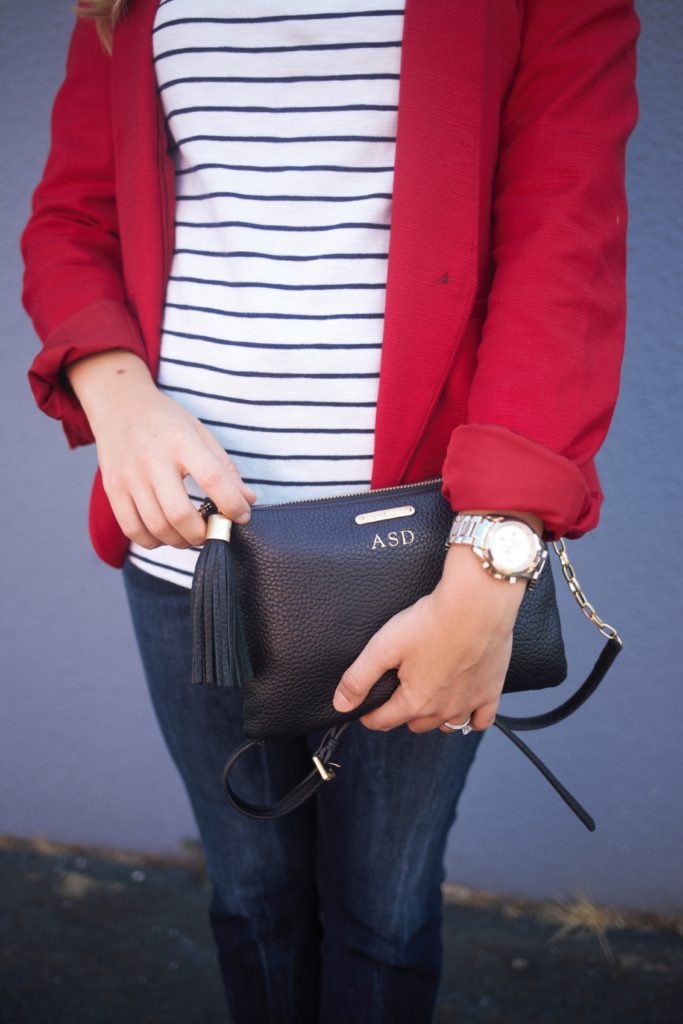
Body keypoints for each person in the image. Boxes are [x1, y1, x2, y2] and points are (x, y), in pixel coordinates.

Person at [20, 1, 640, 1021]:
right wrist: (113, 387)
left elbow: (562, 242)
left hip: (429, 567)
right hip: (192, 555)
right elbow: (72, 216)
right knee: (249, 897)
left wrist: (494, 555)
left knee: (384, 913)